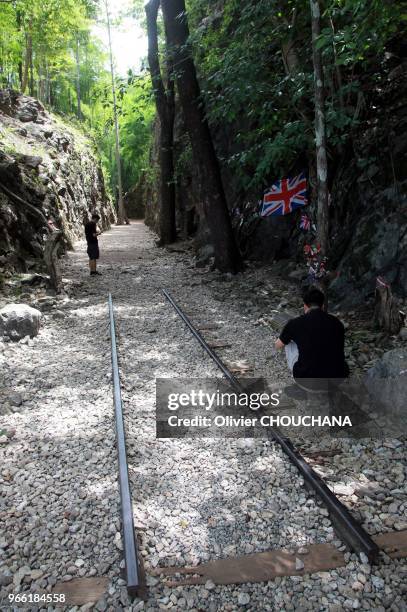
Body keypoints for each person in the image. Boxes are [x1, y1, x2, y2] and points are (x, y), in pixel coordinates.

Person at [275, 288, 349, 385]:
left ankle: (299, 378)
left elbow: (278, 345)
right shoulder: (337, 323)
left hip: (306, 381)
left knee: (288, 342)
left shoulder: (295, 323)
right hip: (337, 380)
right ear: (322, 306)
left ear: (305, 306)